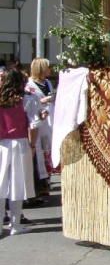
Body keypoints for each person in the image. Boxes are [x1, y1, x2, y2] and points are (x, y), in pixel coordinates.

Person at [1, 69, 36, 236]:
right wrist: (33, 145)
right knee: (17, 184)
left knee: (1, 185)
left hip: (1, 144)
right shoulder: (26, 100)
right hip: (20, 143)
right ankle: (15, 224)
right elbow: (33, 125)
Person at [24, 58, 54, 199]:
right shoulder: (29, 85)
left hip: (49, 119)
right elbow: (30, 103)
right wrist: (44, 101)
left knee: (48, 149)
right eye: (47, 67)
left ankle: (46, 182)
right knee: (38, 152)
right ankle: (39, 186)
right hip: (37, 119)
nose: (50, 70)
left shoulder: (47, 82)